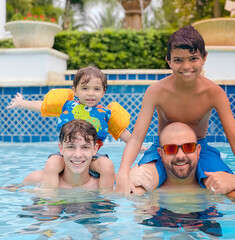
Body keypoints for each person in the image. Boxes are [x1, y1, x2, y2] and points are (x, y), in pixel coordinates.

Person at [116, 25, 235, 197]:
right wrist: (123, 173)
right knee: (135, 188)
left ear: (204, 58)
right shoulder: (156, 91)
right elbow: (136, 139)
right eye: (178, 60)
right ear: (168, 61)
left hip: (199, 149)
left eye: (193, 58)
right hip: (164, 150)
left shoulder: (214, 93)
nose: (186, 66)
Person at [7, 66, 147, 190]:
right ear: (75, 90)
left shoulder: (106, 113)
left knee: (107, 165)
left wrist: (137, 146)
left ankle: (105, 199)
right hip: (69, 153)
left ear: (104, 92)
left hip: (91, 155)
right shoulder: (67, 106)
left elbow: (121, 131)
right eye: (85, 88)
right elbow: (43, 107)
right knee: (52, 162)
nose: (91, 93)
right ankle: (49, 197)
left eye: (96, 89)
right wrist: (22, 103)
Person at [23, 119, 101, 190]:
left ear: (95, 149)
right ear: (61, 148)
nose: (78, 155)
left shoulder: (104, 184)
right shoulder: (36, 180)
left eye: (85, 147)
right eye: (71, 147)